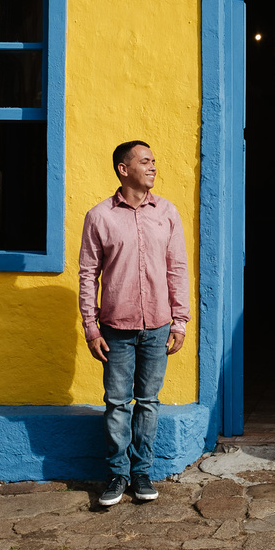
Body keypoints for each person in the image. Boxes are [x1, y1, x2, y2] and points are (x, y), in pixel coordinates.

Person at [79, 141, 191, 507]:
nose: (153, 167)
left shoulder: (167, 213)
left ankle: (142, 471)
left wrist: (180, 321)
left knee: (148, 402)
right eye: (145, 162)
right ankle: (117, 473)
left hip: (158, 324)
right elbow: (87, 275)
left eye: (154, 161)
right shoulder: (100, 216)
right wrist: (91, 327)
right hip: (115, 328)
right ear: (123, 170)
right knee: (116, 402)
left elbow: (177, 269)